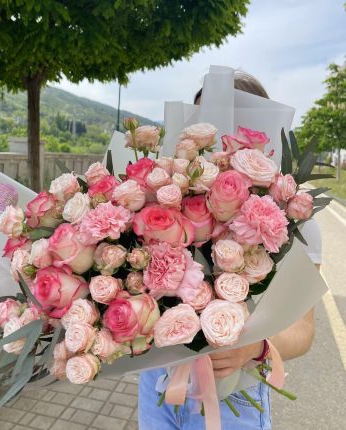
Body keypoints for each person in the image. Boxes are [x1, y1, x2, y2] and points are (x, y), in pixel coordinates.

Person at [138, 70, 322, 430]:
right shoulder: (161, 206)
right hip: (159, 381)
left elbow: (304, 330)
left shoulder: (293, 219)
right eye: (197, 125)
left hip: (234, 391)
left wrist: (254, 347)